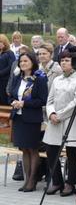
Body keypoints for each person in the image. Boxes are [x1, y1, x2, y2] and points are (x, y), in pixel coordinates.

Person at [43, 52, 76, 196]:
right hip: (55, 119)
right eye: (62, 60)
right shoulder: (57, 79)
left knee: (71, 151)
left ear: (73, 62)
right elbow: (50, 100)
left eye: (67, 60)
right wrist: (51, 114)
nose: (64, 63)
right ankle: (56, 181)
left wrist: (60, 115)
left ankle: (70, 182)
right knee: (50, 149)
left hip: (72, 119)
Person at [9, 52, 47, 191]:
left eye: (26, 61)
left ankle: (33, 180)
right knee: (24, 149)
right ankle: (26, 180)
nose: (23, 63)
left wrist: (24, 104)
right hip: (18, 117)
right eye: (21, 61)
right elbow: (11, 95)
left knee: (32, 149)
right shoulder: (18, 77)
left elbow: (43, 100)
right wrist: (14, 102)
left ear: (32, 62)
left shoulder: (39, 78)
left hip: (31, 119)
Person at [0, 34, 16, 105]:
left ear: (5, 43)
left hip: (5, 81)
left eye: (1, 42)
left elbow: (11, 67)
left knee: (4, 100)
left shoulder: (10, 53)